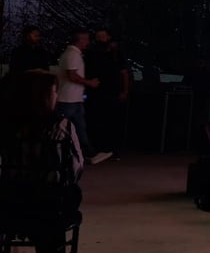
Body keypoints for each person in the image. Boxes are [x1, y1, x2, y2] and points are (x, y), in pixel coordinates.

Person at [0, 70, 85, 253]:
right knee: (64, 197)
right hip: (51, 208)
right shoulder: (62, 127)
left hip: (12, 204)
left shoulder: (6, 128)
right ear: (44, 96)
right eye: (54, 91)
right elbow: (76, 169)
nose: (57, 96)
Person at [56, 29, 112, 165]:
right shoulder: (72, 55)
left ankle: (89, 153)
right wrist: (89, 82)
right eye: (86, 39)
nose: (88, 42)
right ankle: (57, 155)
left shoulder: (73, 54)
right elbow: (72, 75)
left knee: (79, 128)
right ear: (80, 40)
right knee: (62, 128)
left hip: (74, 99)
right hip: (68, 99)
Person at [84, 28, 131, 159]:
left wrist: (125, 90)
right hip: (96, 92)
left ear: (109, 37)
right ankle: (98, 148)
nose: (100, 39)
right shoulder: (92, 53)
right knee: (97, 120)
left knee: (113, 121)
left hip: (113, 92)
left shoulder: (116, 54)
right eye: (98, 37)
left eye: (102, 36)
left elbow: (124, 73)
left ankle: (113, 149)